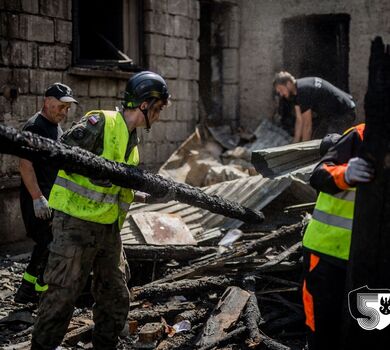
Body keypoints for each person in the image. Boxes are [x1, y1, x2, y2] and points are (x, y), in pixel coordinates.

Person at [30, 71, 170, 350]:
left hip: (108, 230)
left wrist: (142, 194)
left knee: (116, 296)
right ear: (145, 104)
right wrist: (99, 173)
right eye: (159, 108)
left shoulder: (133, 144)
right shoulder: (102, 122)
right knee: (62, 296)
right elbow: (62, 153)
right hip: (75, 225)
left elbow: (118, 186)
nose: (160, 114)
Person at [301, 123, 375, 350]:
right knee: (323, 332)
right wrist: (345, 174)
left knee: (372, 329)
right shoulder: (362, 135)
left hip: (374, 263)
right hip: (328, 253)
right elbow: (319, 174)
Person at [15, 83, 78, 304]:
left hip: (53, 197)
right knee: (47, 242)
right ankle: (33, 290)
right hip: (39, 199)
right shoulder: (35, 127)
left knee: (47, 244)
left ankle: (30, 289)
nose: (64, 112)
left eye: (67, 108)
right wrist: (37, 198)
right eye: (60, 106)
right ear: (47, 101)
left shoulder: (55, 127)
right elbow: (25, 165)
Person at [274, 71, 357, 143]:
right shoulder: (297, 91)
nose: (281, 94)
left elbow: (307, 125)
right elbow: (299, 120)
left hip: (344, 113)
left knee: (331, 144)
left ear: (288, 84)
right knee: (318, 139)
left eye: (281, 90)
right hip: (332, 115)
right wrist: (294, 143)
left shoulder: (303, 91)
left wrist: (302, 150)